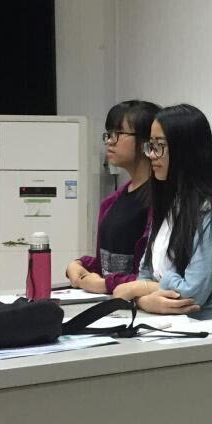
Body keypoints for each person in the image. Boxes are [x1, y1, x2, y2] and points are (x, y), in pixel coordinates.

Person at [113, 104, 212, 319]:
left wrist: (145, 289)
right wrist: (144, 300)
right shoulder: (170, 203)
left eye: (160, 146)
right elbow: (145, 272)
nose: (151, 155)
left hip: (205, 329)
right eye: (150, 145)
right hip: (160, 323)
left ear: (185, 150)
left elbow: (191, 294)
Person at [65, 100, 159, 295]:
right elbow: (106, 267)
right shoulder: (112, 201)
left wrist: (104, 284)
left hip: (140, 304)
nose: (109, 141)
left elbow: (153, 277)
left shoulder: (161, 201)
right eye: (108, 134)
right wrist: (79, 265)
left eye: (118, 133)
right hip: (109, 303)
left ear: (146, 139)